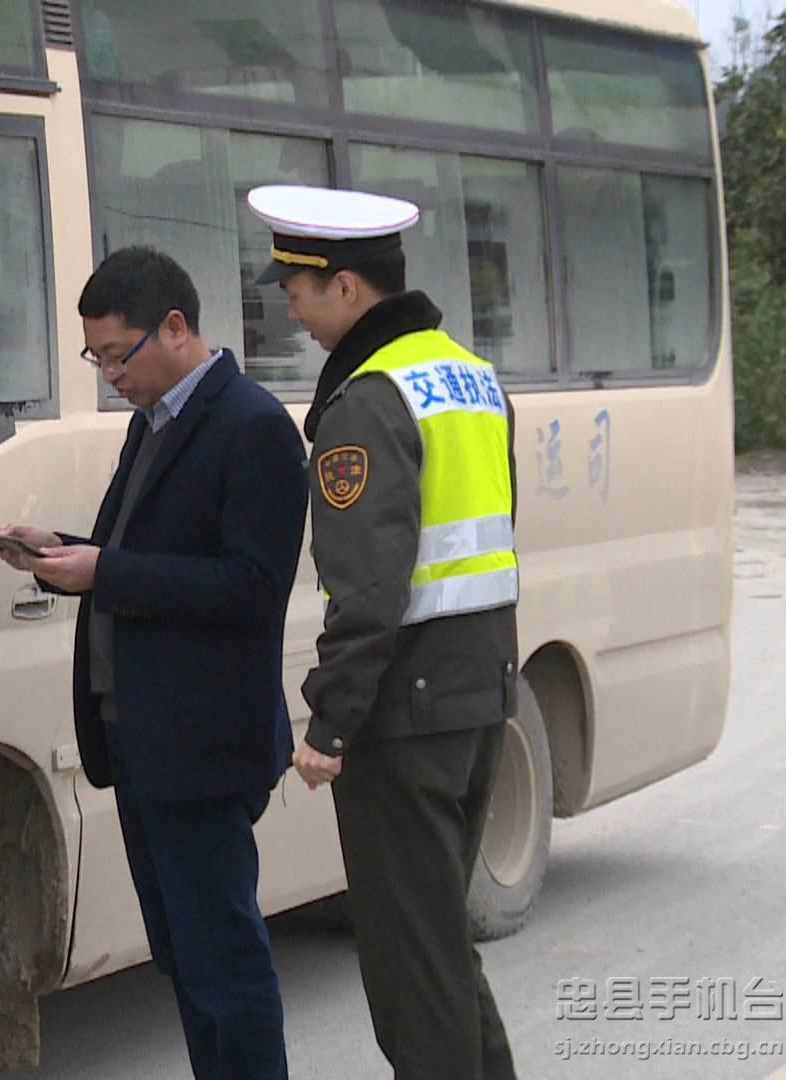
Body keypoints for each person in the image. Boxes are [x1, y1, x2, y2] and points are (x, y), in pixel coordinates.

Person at [0, 246, 306, 1079]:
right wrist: (57, 550)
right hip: (140, 740)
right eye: (96, 359)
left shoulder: (253, 426)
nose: (110, 376)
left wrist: (104, 572)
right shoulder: (151, 422)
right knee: (185, 958)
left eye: (118, 356)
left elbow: (252, 586)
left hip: (203, 743)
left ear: (177, 327)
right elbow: (138, 552)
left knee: (225, 961)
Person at [251, 184, 520, 1080]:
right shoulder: (471, 376)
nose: (291, 312)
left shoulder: (369, 401)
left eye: (298, 291)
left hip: (406, 714)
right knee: (440, 949)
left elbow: (367, 589)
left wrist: (330, 723)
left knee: (412, 974)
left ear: (347, 288)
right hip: (479, 692)